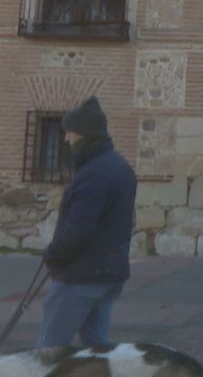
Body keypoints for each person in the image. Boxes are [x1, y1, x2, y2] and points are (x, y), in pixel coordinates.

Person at [35, 96, 137, 348]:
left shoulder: (93, 174)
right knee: (96, 348)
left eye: (69, 131)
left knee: (49, 351)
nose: (66, 138)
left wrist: (53, 254)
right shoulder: (119, 166)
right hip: (108, 273)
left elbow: (79, 230)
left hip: (81, 276)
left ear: (83, 133)